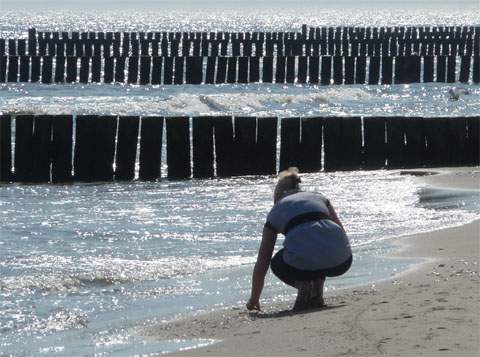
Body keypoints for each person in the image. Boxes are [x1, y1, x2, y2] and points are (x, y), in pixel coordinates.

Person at [246, 167, 352, 311]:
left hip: (307, 261)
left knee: (277, 261)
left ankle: (303, 285)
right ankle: (316, 292)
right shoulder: (320, 198)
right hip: (342, 261)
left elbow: (263, 260)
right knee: (319, 247)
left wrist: (254, 297)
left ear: (277, 194)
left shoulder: (276, 210)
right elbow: (341, 232)